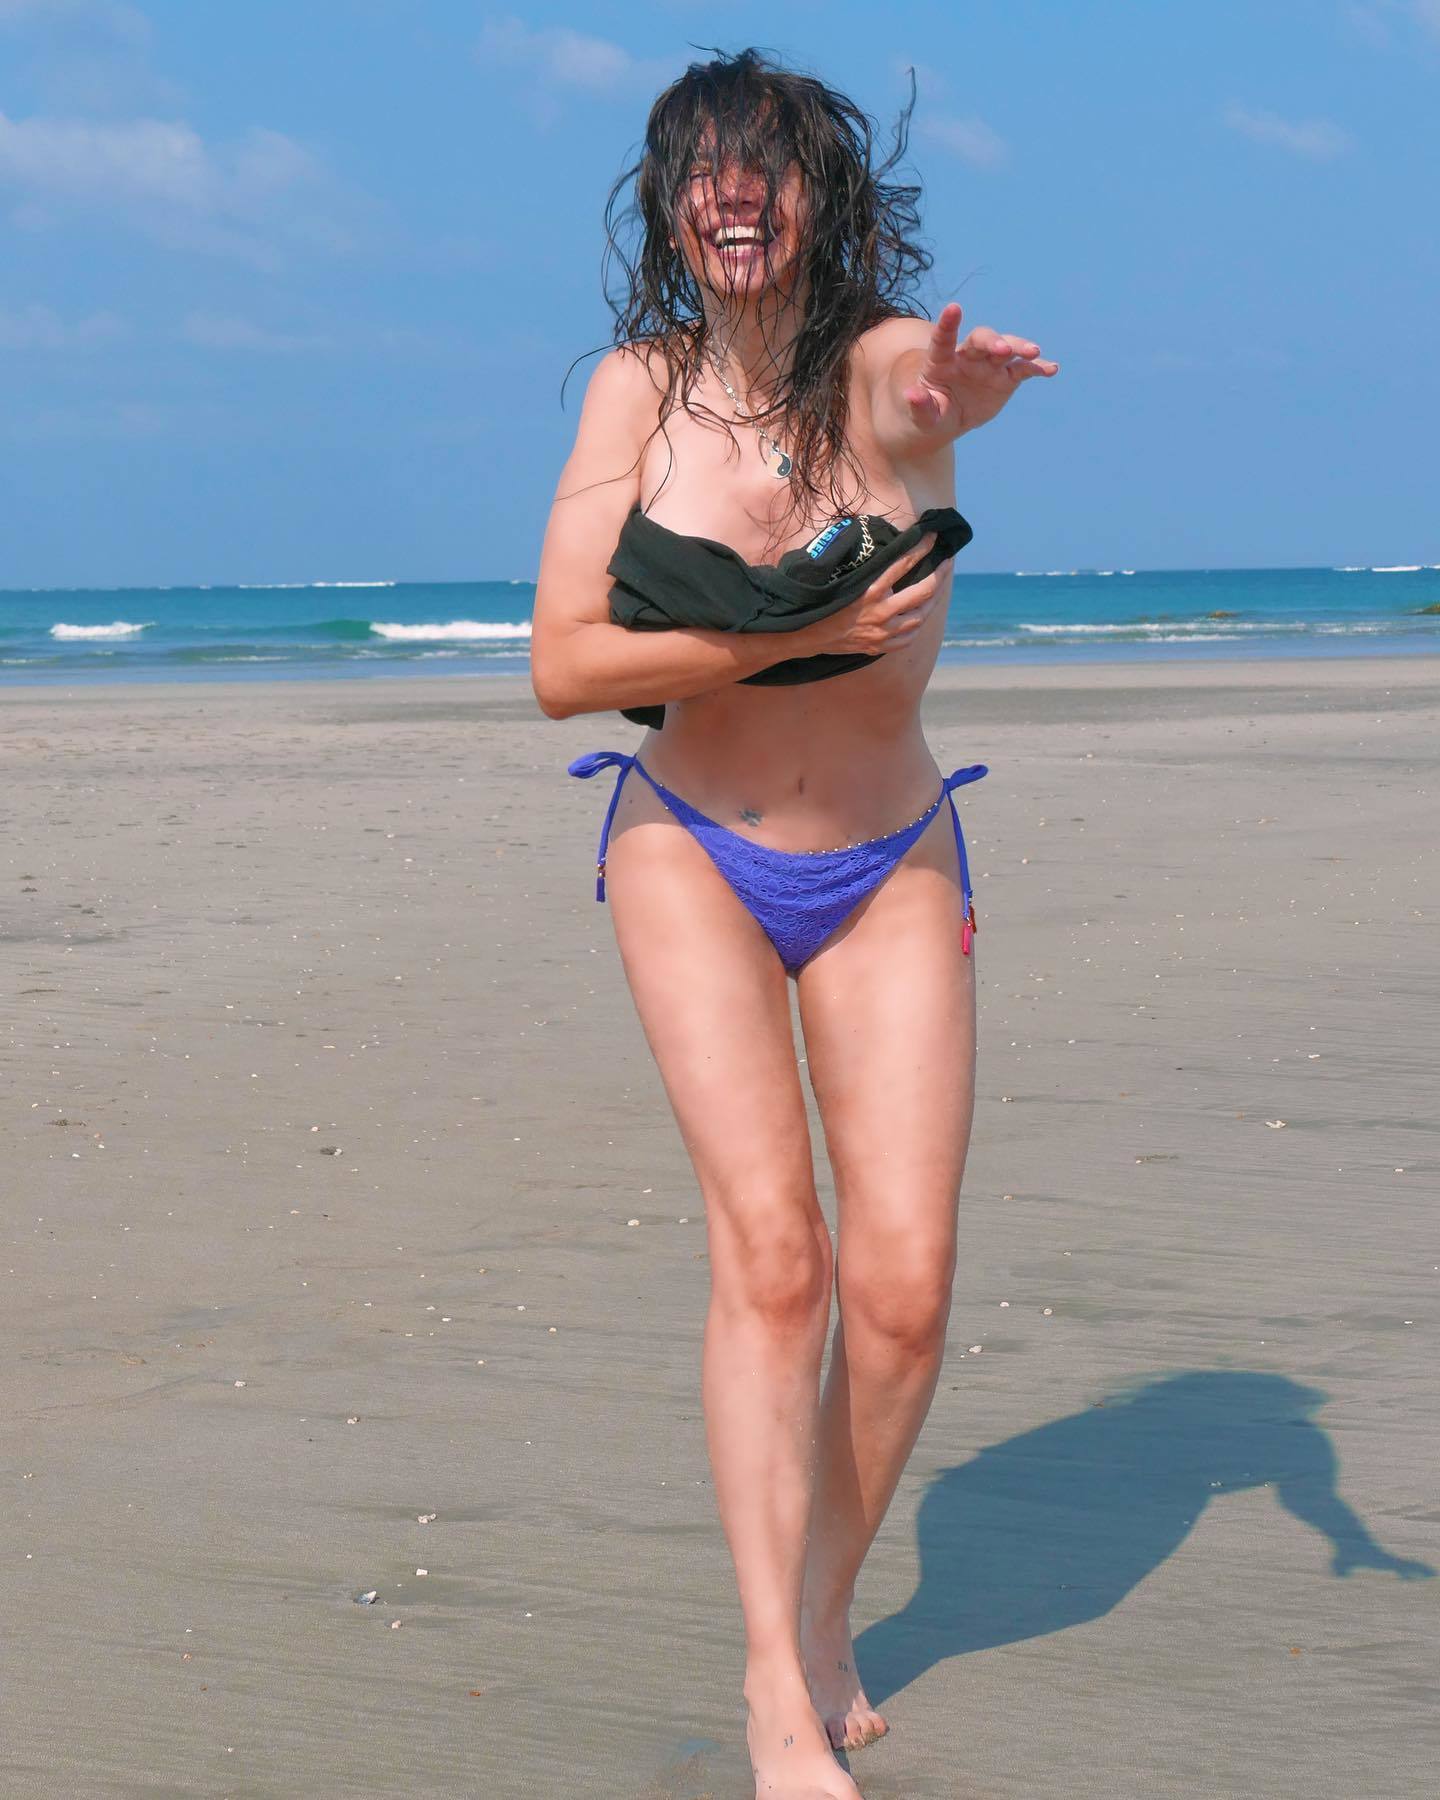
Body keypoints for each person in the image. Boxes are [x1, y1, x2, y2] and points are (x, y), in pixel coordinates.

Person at [530, 47, 1057, 1799]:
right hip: (692, 847)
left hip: (891, 857)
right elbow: (564, 666)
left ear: (824, 199)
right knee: (776, 1260)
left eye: (768, 166)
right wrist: (781, 641)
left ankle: (826, 1608)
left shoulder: (882, 365)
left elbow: (920, 397)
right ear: (671, 206)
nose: (733, 191)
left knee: (900, 1294)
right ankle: (774, 1679)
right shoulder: (638, 393)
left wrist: (957, 397)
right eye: (704, 168)